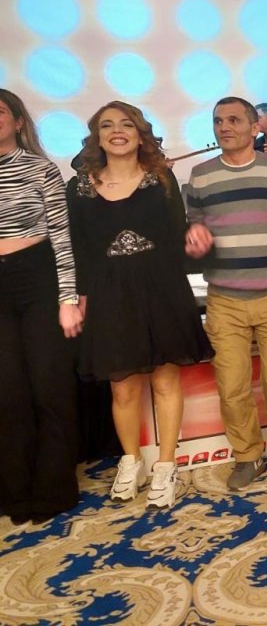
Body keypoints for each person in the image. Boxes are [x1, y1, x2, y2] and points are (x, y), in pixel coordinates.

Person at [67, 101, 213, 510]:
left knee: (166, 381)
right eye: (107, 125)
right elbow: (79, 249)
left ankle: (166, 465)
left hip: (161, 289)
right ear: (97, 137)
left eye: (126, 124)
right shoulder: (78, 187)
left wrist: (193, 243)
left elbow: (177, 236)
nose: (117, 131)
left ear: (140, 134)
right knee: (123, 386)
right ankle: (131, 462)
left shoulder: (161, 179)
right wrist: (80, 298)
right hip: (108, 294)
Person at [185, 96, 267, 491]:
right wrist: (195, 238)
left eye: (233, 120)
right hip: (225, 299)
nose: (224, 127)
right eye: (217, 121)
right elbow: (194, 225)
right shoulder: (200, 176)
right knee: (232, 386)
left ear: (254, 127)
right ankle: (247, 456)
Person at [0, 88, 82, 525]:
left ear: (18, 122)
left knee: (49, 386)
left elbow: (62, 239)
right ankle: (15, 492)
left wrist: (67, 299)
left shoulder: (40, 168)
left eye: (0, 112)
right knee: (7, 392)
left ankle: (53, 488)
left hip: (37, 277)